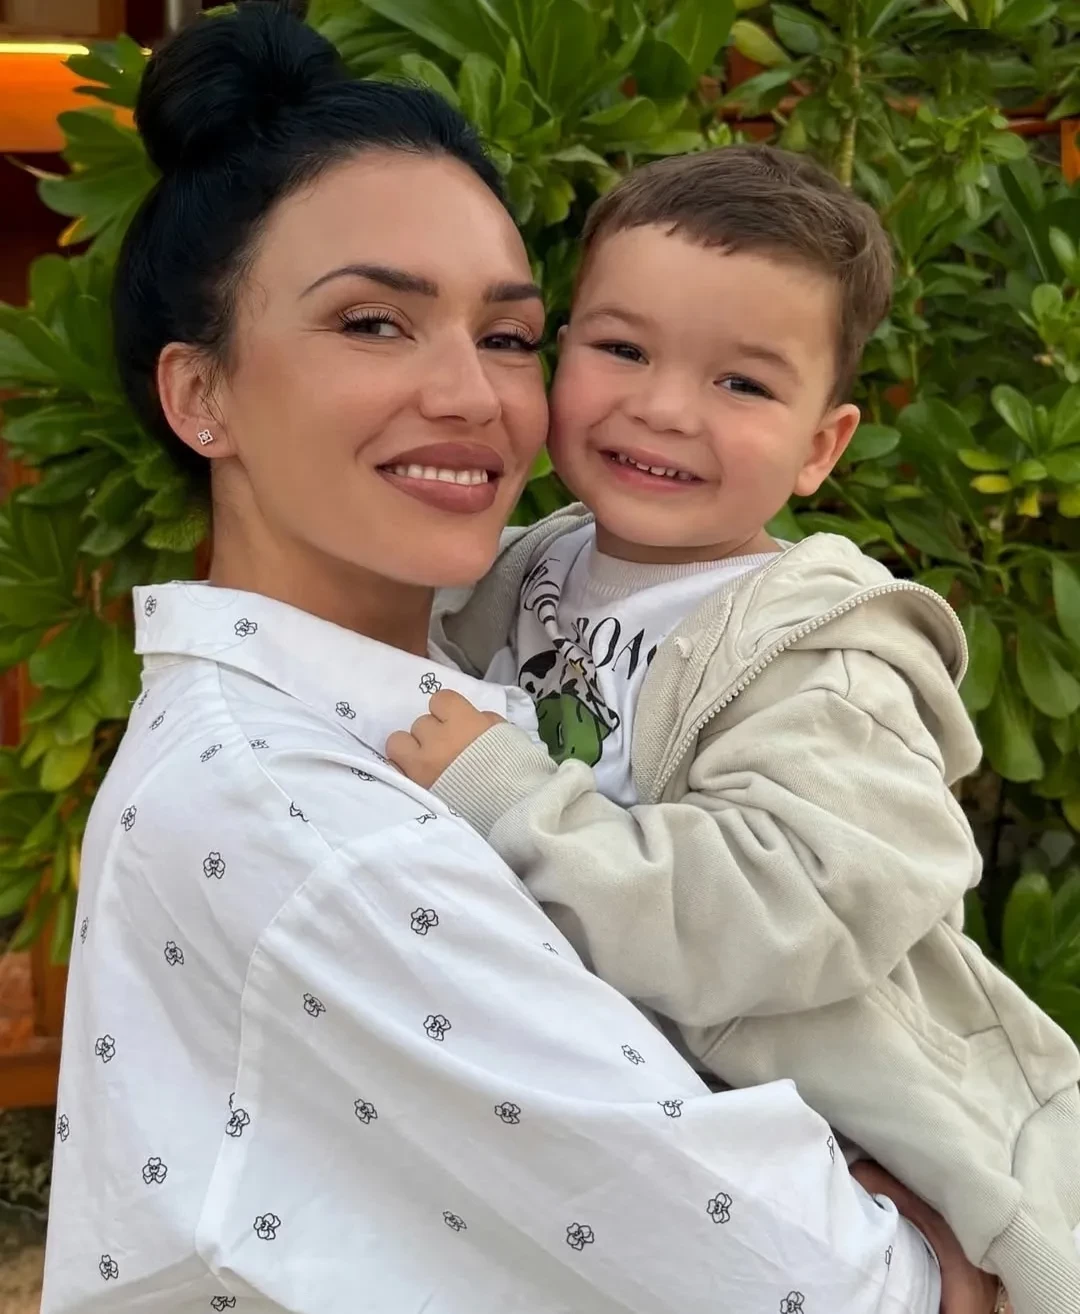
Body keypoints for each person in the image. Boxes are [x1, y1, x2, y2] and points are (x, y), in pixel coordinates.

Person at [42, 7, 997, 1312]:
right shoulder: (316, 823)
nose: (471, 395)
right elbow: (840, 1290)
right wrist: (939, 1259)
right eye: (373, 322)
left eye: (503, 336)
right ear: (202, 394)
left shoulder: (471, 660)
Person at [392, 148, 1080, 1314]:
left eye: (743, 384)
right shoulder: (526, 567)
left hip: (846, 1152)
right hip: (611, 1136)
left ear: (822, 446)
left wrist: (511, 801)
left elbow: (791, 906)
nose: (665, 408)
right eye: (623, 350)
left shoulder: (826, 658)